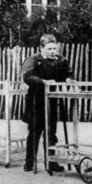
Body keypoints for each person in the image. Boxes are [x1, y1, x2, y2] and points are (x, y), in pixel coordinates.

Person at [22, 34, 74, 172]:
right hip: (36, 100)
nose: (53, 51)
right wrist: (43, 81)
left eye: (54, 48)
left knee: (51, 132)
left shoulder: (61, 60)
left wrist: (69, 79)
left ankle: (51, 162)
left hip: (52, 100)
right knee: (35, 132)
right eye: (49, 48)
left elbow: (69, 73)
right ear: (41, 48)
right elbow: (27, 76)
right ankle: (29, 162)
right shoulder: (34, 59)